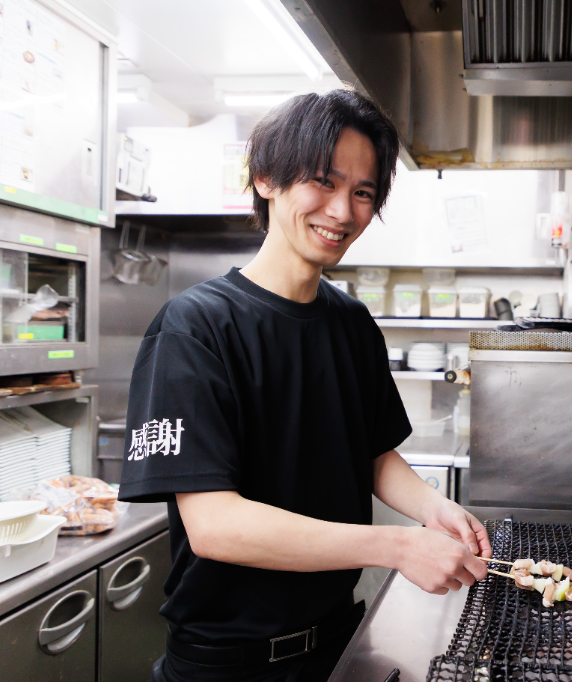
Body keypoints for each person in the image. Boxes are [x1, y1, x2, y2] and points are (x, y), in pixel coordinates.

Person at [118, 89, 491, 682]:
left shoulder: (351, 323)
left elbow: (373, 455)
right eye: (323, 181)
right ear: (265, 178)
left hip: (338, 644)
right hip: (229, 666)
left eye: (363, 192)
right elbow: (215, 526)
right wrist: (397, 546)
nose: (342, 211)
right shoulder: (195, 327)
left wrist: (433, 509)